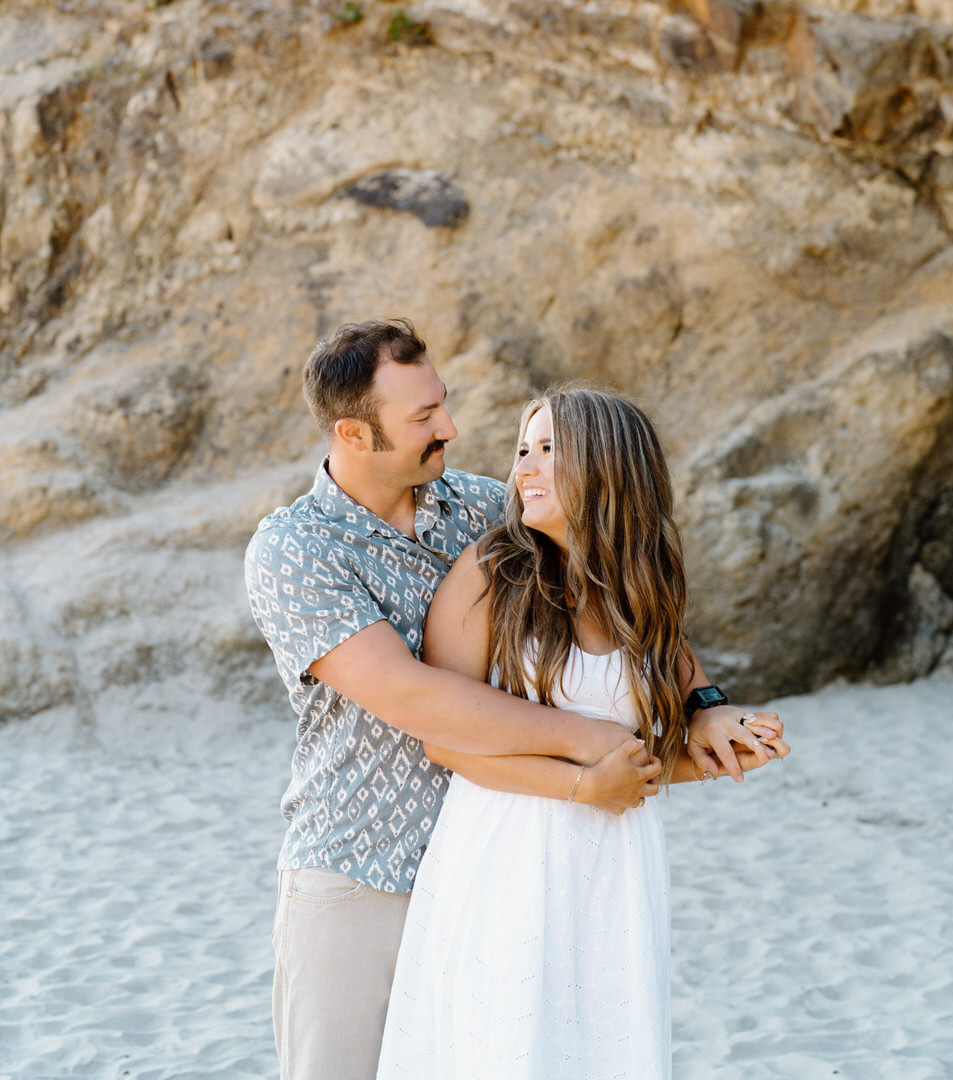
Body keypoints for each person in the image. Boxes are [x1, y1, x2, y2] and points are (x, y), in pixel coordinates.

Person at [245, 320, 785, 1080]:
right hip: (360, 865)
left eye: (444, 404)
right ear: (354, 433)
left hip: (500, 860)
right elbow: (411, 694)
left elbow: (616, 585)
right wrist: (586, 745)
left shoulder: (482, 508)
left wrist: (705, 704)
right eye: (424, 418)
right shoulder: (296, 548)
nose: (452, 429)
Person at [376, 386, 789, 1080]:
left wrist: (717, 739)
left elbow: (641, 748)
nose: (525, 469)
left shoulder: (640, 590)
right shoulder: (490, 575)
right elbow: (446, 744)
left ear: (608, 467)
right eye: (522, 451)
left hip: (617, 863)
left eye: (548, 452)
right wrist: (580, 784)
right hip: (507, 858)